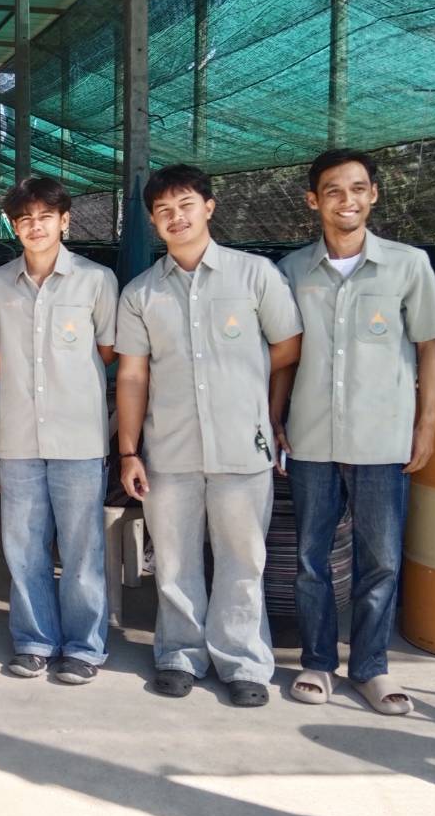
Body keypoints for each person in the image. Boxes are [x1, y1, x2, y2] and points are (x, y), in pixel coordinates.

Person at [271, 149, 435, 716]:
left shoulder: (408, 264)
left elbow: (429, 346)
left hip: (383, 437)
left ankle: (371, 667)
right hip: (312, 437)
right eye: (333, 190)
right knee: (311, 558)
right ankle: (318, 662)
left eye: (357, 189)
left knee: (382, 560)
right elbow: (285, 356)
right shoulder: (291, 271)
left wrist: (427, 424)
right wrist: (273, 417)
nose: (346, 200)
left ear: (373, 194)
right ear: (313, 201)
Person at [115, 165, 302, 707]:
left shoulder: (255, 275)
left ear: (209, 207)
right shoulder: (141, 293)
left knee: (244, 560)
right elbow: (132, 376)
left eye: (186, 205)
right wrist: (129, 451)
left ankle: (242, 661)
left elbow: (286, 349)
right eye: (164, 210)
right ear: (153, 221)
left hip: (243, 448)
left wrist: (262, 410)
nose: (176, 217)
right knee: (173, 561)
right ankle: (180, 654)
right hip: (169, 449)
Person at [0, 177, 117, 684]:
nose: (35, 227)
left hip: (79, 436)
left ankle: (84, 646)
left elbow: (107, 351)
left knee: (82, 547)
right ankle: (35, 640)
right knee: (23, 545)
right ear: (13, 227)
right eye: (24, 219)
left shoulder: (96, 279)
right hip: (18, 435)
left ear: (65, 221)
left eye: (45, 217)